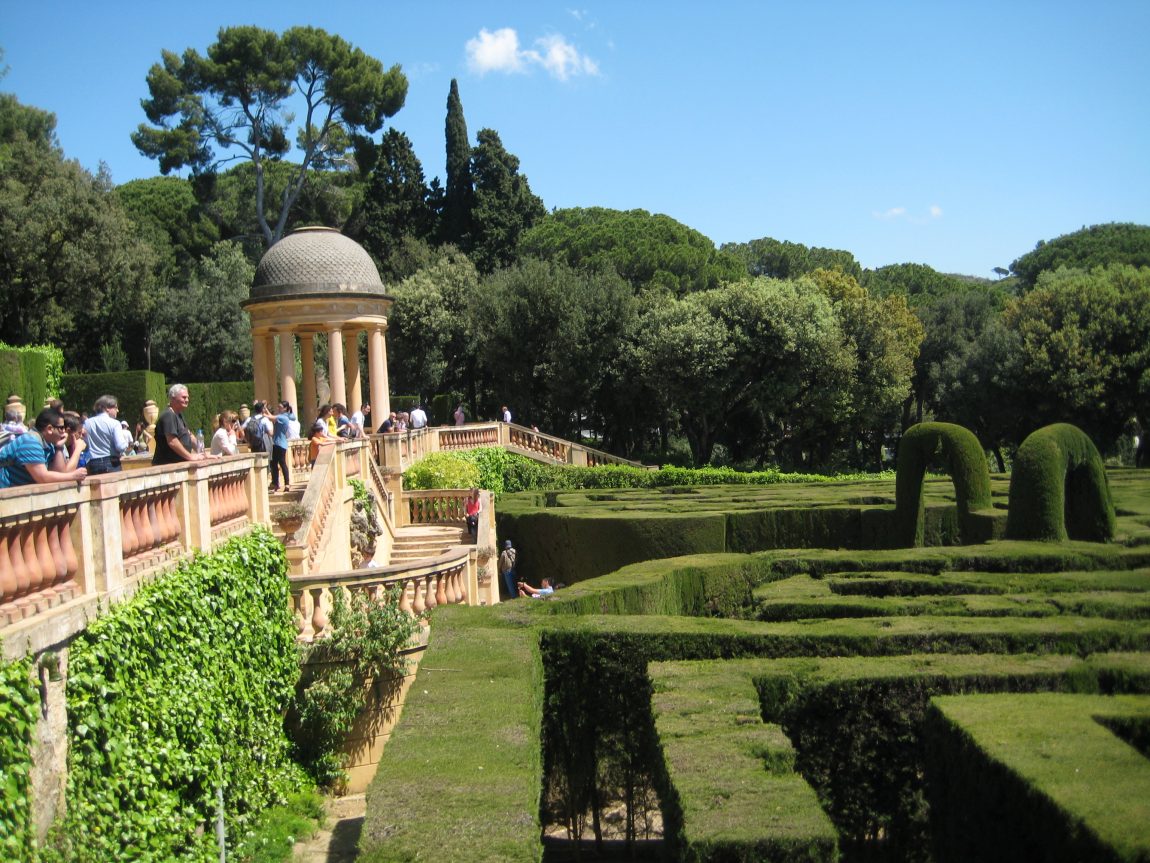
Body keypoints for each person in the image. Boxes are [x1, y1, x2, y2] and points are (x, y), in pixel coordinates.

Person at [0, 408, 87, 488]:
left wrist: (59, 448)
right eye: (61, 428)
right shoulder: (30, 441)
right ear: (50, 429)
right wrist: (73, 476)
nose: (64, 432)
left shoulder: (50, 443)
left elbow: (59, 473)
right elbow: (42, 477)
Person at [153, 384, 210, 466]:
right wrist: (190, 457)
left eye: (187, 397)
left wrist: (203, 454)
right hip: (167, 466)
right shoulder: (168, 415)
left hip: (177, 465)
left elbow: (189, 435)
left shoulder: (179, 415)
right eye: (183, 397)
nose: (187, 400)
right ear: (173, 398)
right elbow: (172, 441)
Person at [83, 395, 130, 474]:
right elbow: (120, 446)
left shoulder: (87, 423)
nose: (117, 410)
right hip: (111, 462)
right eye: (115, 407)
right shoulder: (115, 423)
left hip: (93, 463)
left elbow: (85, 442)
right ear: (107, 408)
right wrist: (126, 444)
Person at [269, 401, 293, 493]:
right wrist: (265, 409)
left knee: (281, 463)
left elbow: (270, 417)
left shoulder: (283, 417)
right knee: (274, 464)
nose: (278, 408)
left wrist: (262, 410)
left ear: (285, 408)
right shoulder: (282, 417)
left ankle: (285, 483)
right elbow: (271, 417)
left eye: (280, 407)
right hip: (277, 443)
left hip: (280, 444)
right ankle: (276, 483)